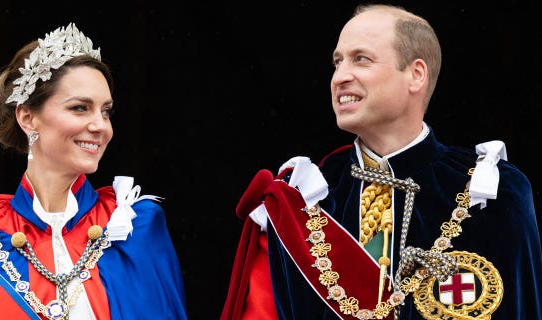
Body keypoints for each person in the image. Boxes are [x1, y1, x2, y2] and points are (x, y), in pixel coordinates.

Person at [221, 4, 542, 320]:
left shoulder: (491, 190)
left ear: (415, 75)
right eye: (337, 62)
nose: (340, 77)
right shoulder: (301, 197)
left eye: (361, 59)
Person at [0, 23, 187, 320]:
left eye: (106, 111)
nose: (100, 126)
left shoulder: (134, 226)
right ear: (28, 117)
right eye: (80, 108)